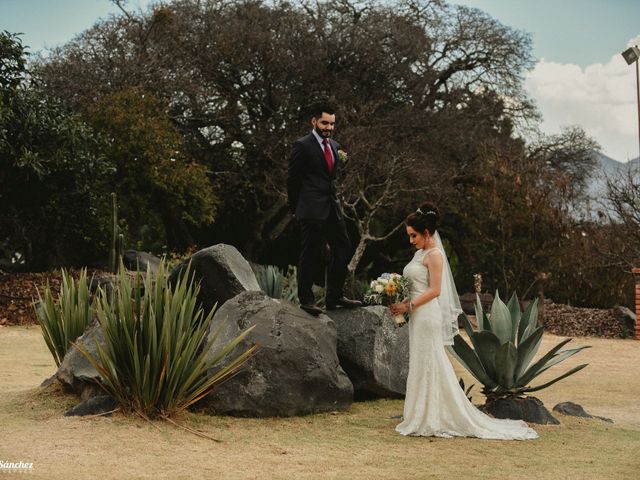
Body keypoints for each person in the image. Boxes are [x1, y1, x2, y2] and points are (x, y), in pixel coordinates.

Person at [390, 203, 538, 440]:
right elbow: (417, 287)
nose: (411, 240)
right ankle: (419, 413)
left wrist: (409, 305)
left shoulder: (435, 255)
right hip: (417, 314)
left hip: (428, 315)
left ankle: (434, 415)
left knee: (431, 360)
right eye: (409, 236)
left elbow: (435, 290)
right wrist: (401, 302)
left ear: (426, 233)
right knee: (420, 360)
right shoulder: (418, 254)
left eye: (413, 235)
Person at [287, 102, 362, 316]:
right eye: (324, 123)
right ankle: (306, 299)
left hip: (332, 207)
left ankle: (334, 296)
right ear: (314, 121)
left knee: (343, 248)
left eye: (332, 124)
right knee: (310, 253)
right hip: (310, 209)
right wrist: (295, 209)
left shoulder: (335, 145)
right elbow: (292, 180)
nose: (328, 127)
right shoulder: (302, 145)